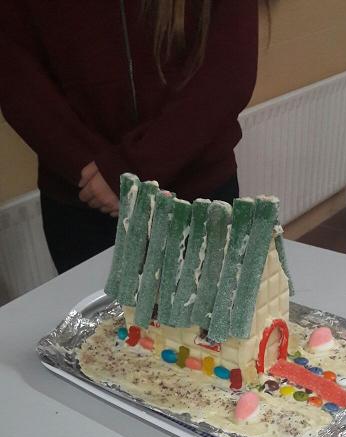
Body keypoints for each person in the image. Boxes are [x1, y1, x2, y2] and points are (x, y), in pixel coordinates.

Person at [0, 0, 258, 273]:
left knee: (213, 300)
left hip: (197, 189)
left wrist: (132, 167)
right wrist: (96, 166)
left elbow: (230, 70)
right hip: (84, 201)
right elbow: (16, 76)